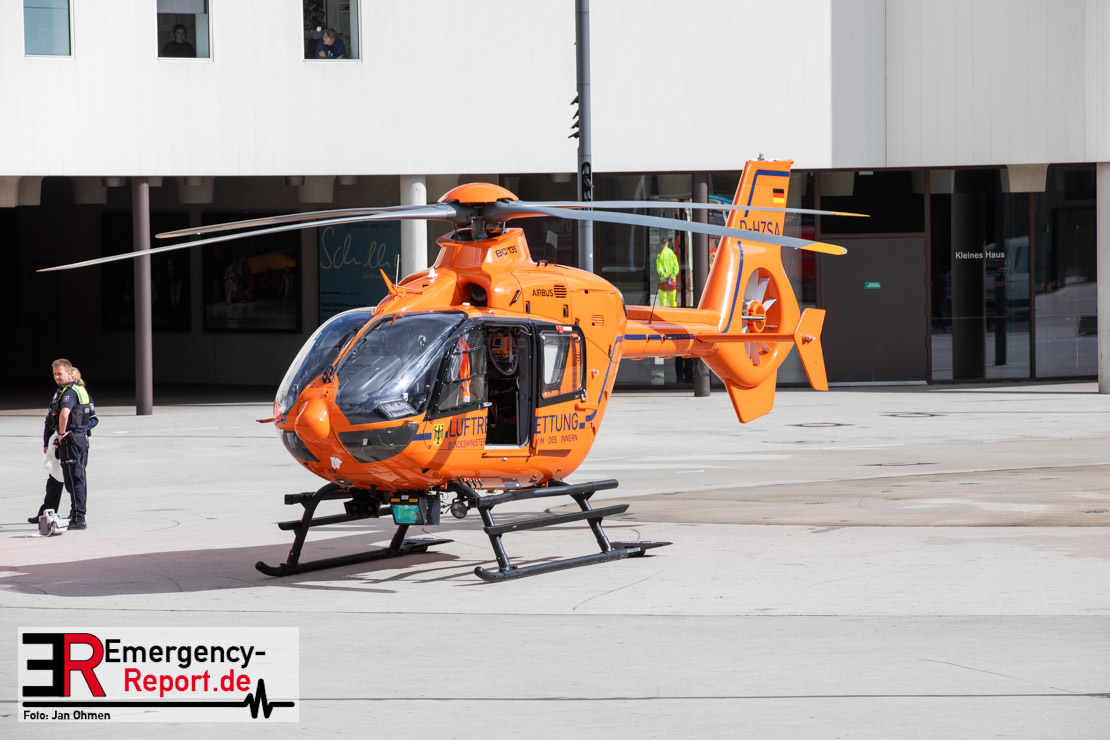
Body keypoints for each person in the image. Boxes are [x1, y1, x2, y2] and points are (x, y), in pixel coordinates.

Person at [30, 360, 94, 529]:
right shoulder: (70, 391)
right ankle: (72, 515)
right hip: (76, 439)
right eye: (54, 374)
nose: (57, 377)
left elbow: (65, 414)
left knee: (74, 480)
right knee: (65, 478)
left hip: (71, 440)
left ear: (69, 373)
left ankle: (78, 518)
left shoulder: (70, 392)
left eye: (60, 374)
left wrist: (61, 433)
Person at [656, 238, 680, 308]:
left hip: (663, 282)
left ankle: (662, 314)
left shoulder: (660, 254)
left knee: (662, 303)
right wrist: (672, 276)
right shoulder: (672, 253)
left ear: (661, 245)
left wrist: (666, 276)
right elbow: (676, 267)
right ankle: (674, 314)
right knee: (673, 302)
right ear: (667, 243)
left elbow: (659, 269)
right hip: (672, 282)